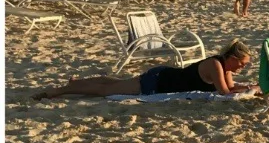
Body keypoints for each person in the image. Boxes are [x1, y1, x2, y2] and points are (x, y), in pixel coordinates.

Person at [34, 41, 256, 100]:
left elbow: (230, 87)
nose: (242, 67)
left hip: (163, 77)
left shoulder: (226, 68)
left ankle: (76, 83)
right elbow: (225, 93)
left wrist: (250, 88)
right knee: (107, 91)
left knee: (113, 82)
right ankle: (59, 91)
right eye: (242, 63)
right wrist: (249, 90)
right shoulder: (215, 65)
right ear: (231, 58)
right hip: (158, 82)